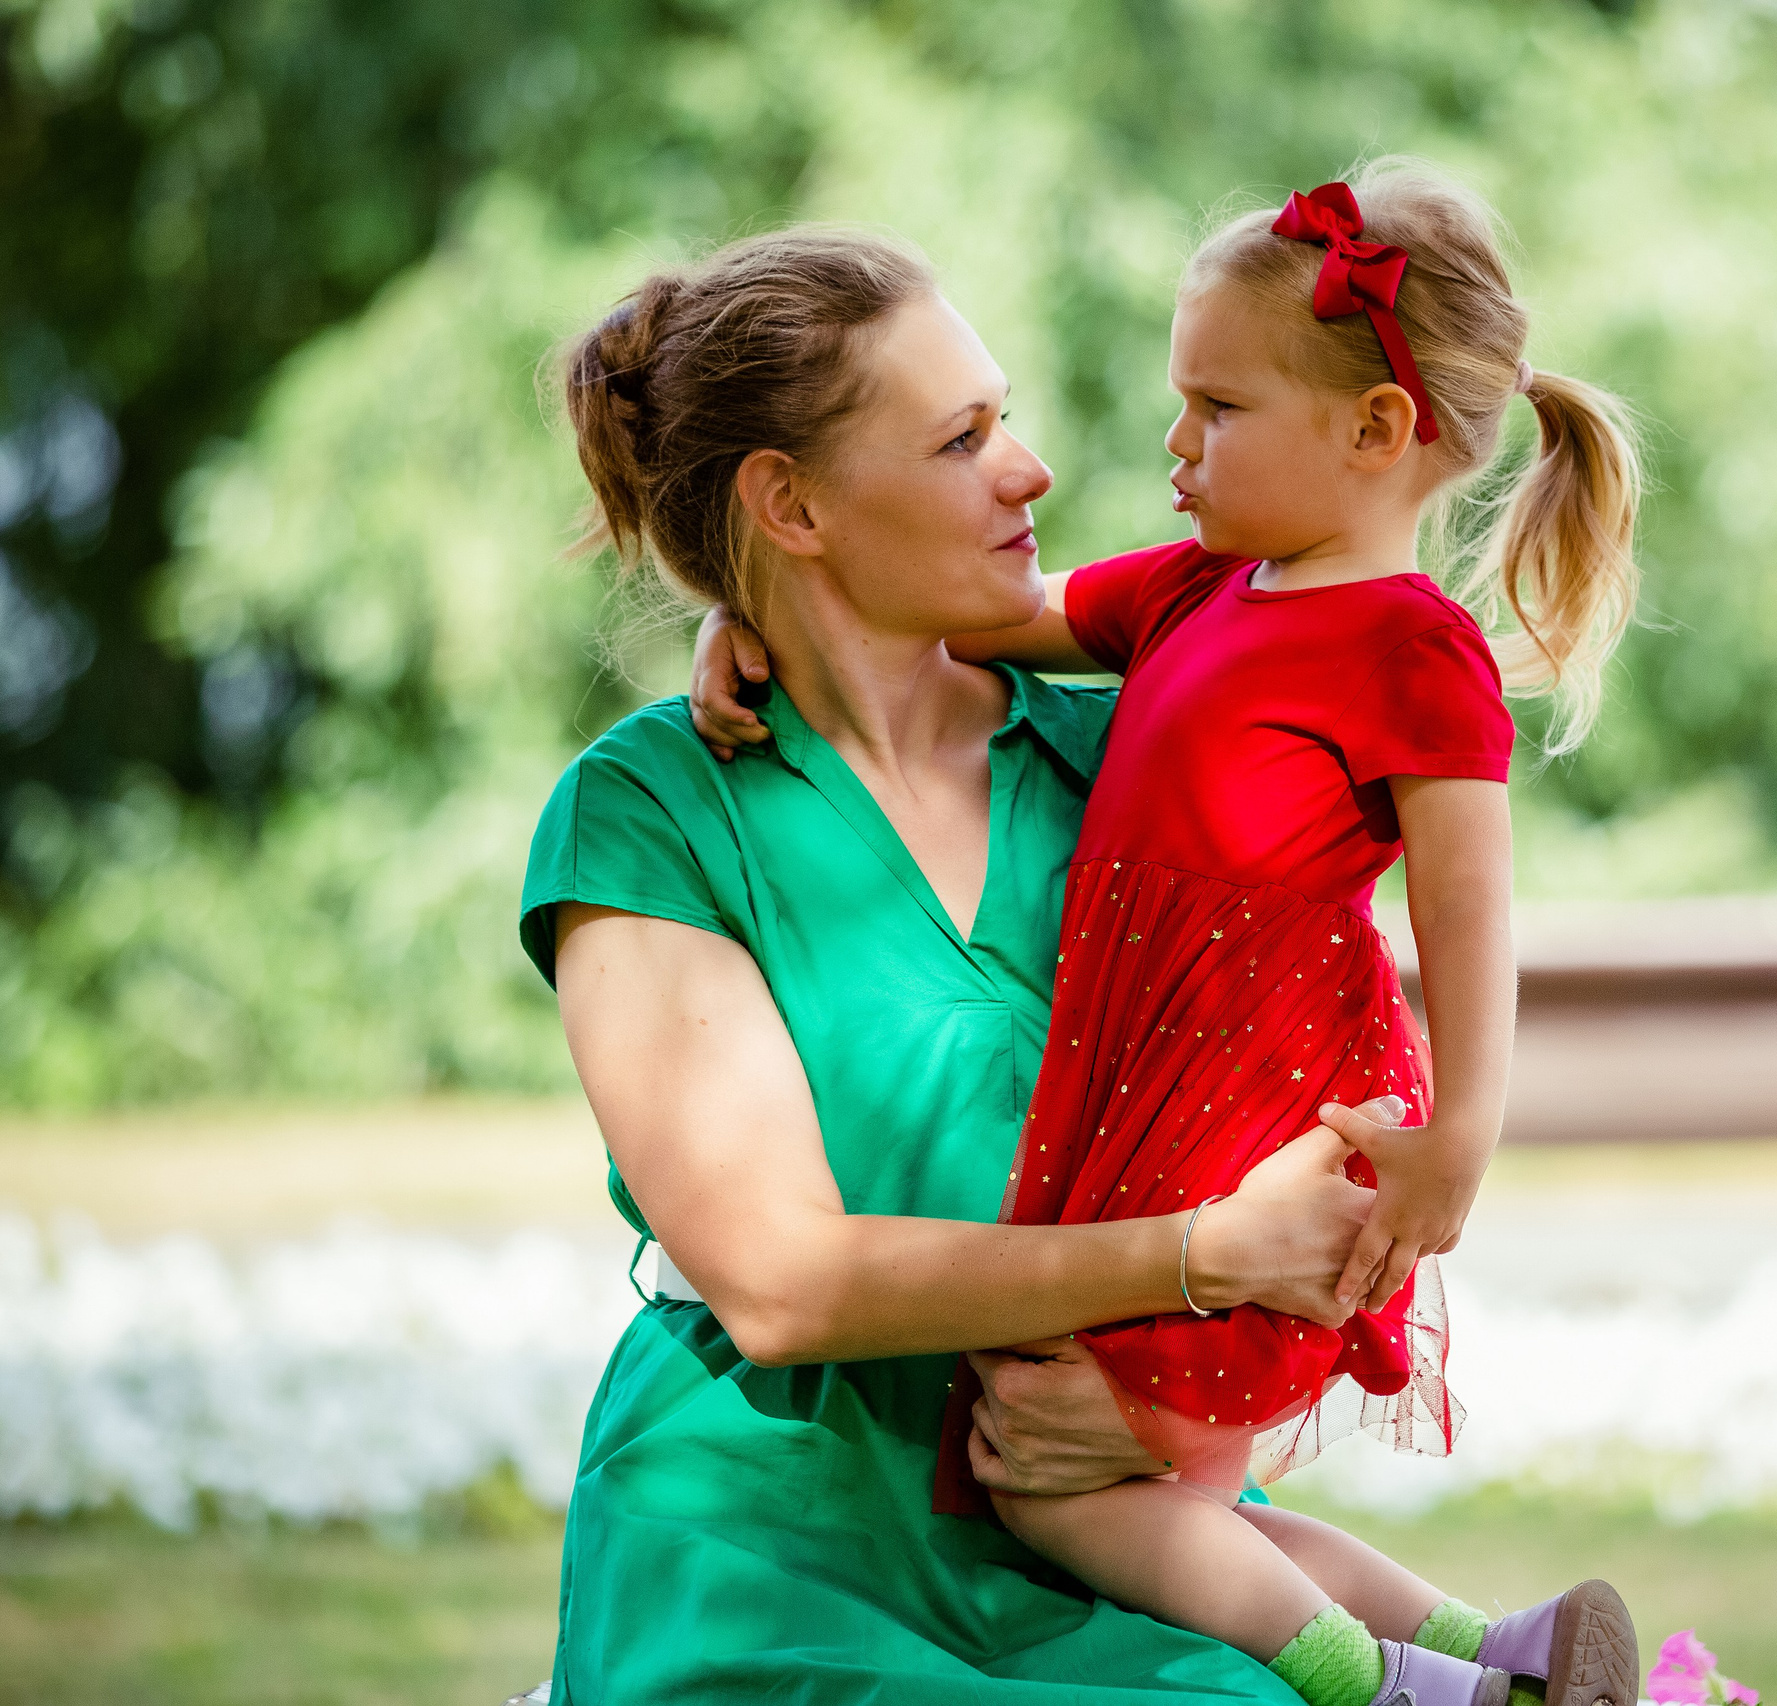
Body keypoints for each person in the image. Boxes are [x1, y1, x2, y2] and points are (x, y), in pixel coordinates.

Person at [684, 161, 1644, 1706]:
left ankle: (1396, 1684)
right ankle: (1506, 1651)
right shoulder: (1199, 594)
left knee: (1064, 1485)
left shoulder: (1418, 649)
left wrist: (1463, 1132)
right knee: (1173, 1502)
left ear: (1375, 432)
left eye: (1217, 409)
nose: (1172, 446)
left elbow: (1468, 905)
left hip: (1252, 1122)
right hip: (1149, 1114)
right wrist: (747, 613)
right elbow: (977, 612)